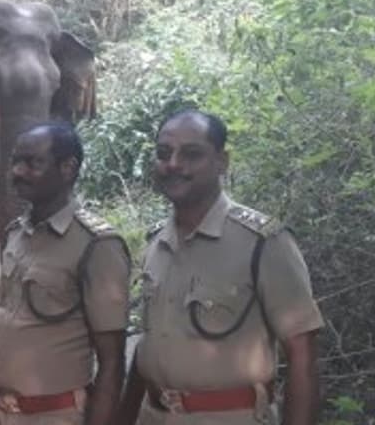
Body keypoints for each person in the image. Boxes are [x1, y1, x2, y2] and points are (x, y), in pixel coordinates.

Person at [114, 110, 323, 425]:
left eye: (191, 154)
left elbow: (302, 352)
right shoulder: (157, 242)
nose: (173, 164)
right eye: (163, 153)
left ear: (222, 162)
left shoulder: (263, 243)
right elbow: (148, 347)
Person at [0, 124, 129, 425]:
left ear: (67, 168)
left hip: (54, 415)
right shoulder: (16, 234)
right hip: (0, 410)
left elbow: (112, 360)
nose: (19, 171)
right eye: (16, 161)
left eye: (33, 163)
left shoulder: (97, 245)